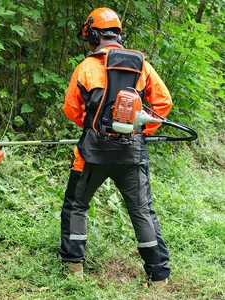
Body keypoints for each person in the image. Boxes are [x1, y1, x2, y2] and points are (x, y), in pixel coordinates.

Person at [59, 7, 172, 286]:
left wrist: (93, 128)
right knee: (142, 210)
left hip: (92, 152)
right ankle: (158, 278)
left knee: (76, 206)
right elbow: (162, 104)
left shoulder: (86, 67)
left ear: (94, 35)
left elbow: (71, 108)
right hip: (132, 152)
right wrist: (139, 131)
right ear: (119, 35)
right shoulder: (141, 64)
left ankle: (74, 269)